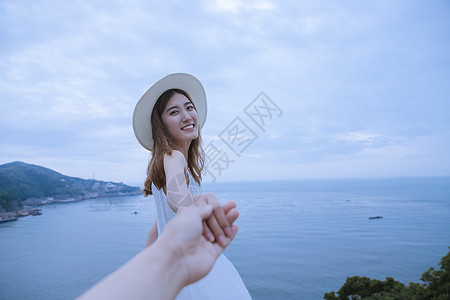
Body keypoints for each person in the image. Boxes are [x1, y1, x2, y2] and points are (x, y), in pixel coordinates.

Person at [132, 73, 252, 299]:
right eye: (174, 112)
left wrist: (146, 272)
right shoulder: (173, 157)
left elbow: (158, 225)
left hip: (175, 266)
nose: (186, 115)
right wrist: (191, 203)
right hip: (191, 268)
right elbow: (177, 196)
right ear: (162, 125)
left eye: (189, 107)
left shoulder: (173, 160)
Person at [78, 202, 240, 300]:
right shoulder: (173, 156)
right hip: (190, 249)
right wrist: (188, 205)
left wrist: (149, 262)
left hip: (181, 252)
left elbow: (156, 229)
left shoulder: (167, 163)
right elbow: (177, 197)